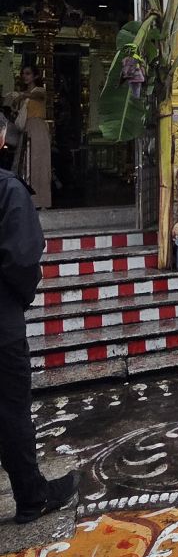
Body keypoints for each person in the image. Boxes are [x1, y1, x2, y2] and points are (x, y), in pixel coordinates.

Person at [0, 112, 78, 524]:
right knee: (11, 411)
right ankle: (32, 495)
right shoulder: (8, 190)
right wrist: (20, 299)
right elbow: (22, 259)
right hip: (2, 325)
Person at [12, 63, 52, 210]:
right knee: (26, 165)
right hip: (26, 129)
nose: (25, 76)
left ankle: (42, 201)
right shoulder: (23, 96)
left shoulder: (39, 91)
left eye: (28, 73)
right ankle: (28, 201)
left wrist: (23, 95)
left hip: (38, 129)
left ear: (35, 76)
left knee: (39, 164)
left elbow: (38, 96)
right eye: (23, 74)